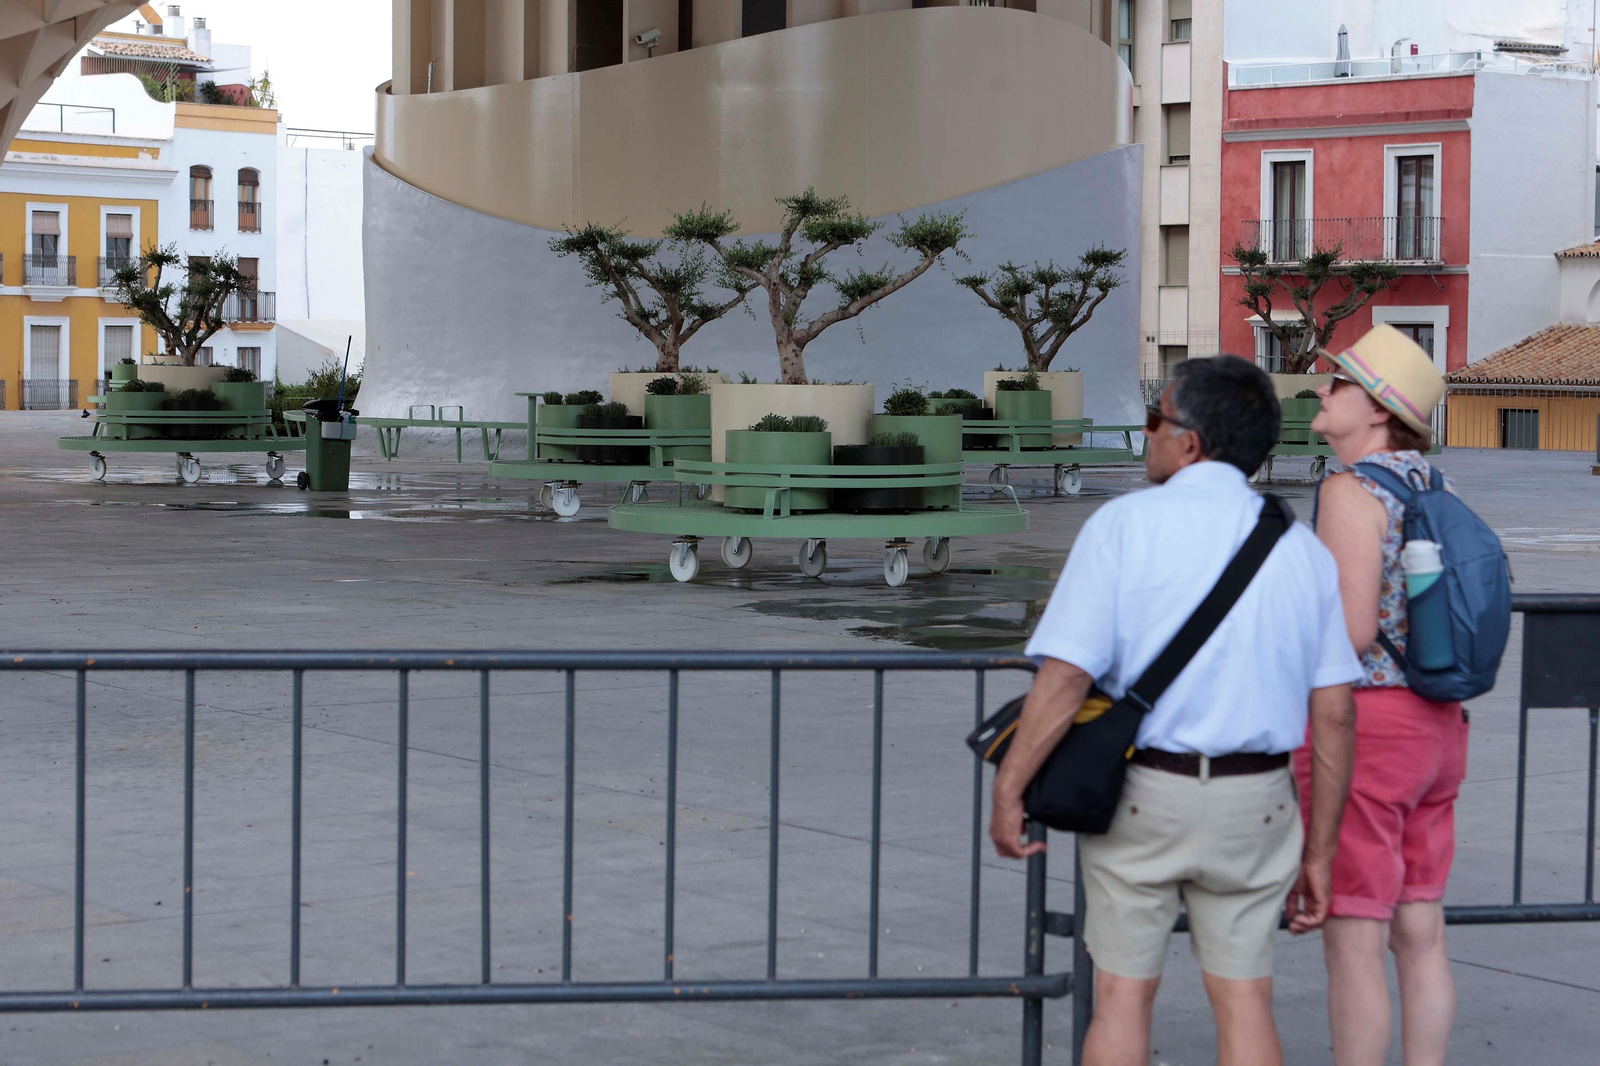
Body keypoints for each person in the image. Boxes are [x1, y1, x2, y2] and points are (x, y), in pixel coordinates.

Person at [991, 356, 1359, 1066]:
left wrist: (1010, 789)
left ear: (1190, 441)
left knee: (1125, 997)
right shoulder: (1300, 548)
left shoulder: (1123, 525)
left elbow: (1067, 677)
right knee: (1246, 999)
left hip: (1144, 798)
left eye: (1156, 419)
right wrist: (1320, 848)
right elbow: (1336, 713)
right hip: (1257, 802)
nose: (1148, 432)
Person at [1297, 324, 1460, 1066]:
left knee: (1355, 939)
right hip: (1437, 725)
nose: (1322, 390)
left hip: (1369, 731)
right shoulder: (1435, 484)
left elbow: (1351, 631)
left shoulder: (1350, 489)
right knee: (1420, 930)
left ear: (1378, 410)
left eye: (1339, 383)